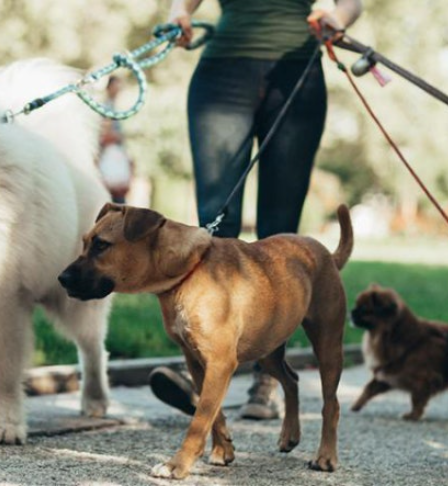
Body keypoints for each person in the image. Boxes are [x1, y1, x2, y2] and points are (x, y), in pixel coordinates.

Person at [148, 0, 363, 420]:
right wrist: (179, 13)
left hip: (296, 69)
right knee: (215, 222)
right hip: (223, 72)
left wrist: (337, 20)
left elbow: (349, 3)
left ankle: (268, 375)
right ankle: (200, 364)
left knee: (278, 236)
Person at [97, 77, 134, 204]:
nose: (118, 90)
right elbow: (105, 134)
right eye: (115, 87)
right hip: (108, 158)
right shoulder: (105, 108)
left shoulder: (113, 107)